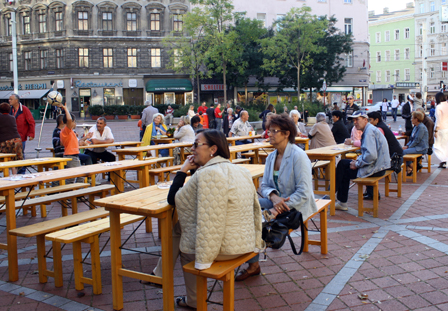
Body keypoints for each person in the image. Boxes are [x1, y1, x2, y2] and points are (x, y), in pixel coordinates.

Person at [148, 130, 264, 309]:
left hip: (226, 249)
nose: (191, 149)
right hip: (246, 244)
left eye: (196, 144)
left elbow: (174, 199)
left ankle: (191, 299)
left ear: (213, 149)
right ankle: (159, 273)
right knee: (181, 228)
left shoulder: (207, 175)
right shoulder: (241, 170)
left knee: (186, 246)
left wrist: (183, 169)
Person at [235, 113, 317, 282]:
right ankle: (254, 259)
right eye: (268, 131)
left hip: (297, 206)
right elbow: (264, 186)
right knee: (245, 207)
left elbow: (304, 193)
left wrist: (277, 207)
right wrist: (273, 197)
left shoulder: (298, 156)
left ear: (286, 133)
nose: (269, 134)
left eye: (273, 131)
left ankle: (253, 264)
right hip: (278, 202)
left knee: (254, 218)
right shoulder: (272, 156)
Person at [335, 111, 390, 210]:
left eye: (357, 119)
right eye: (354, 120)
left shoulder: (369, 132)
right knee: (343, 163)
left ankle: (339, 199)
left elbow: (371, 156)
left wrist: (357, 164)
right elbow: (368, 153)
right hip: (379, 166)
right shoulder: (370, 129)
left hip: (376, 169)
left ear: (365, 120)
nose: (355, 122)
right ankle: (335, 195)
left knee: (344, 172)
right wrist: (356, 162)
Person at [367, 111, 404, 200]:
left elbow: (376, 145)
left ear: (376, 120)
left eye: (370, 120)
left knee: (368, 168)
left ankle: (372, 194)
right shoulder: (382, 126)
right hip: (396, 158)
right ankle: (371, 193)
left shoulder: (379, 129)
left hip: (394, 161)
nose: (369, 122)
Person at [57, 102, 93, 183]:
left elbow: (74, 143)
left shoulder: (69, 132)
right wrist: (65, 108)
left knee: (79, 177)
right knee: (74, 177)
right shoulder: (66, 130)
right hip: (71, 156)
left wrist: (85, 138)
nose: (75, 123)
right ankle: (71, 193)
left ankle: (76, 194)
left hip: (73, 155)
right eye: (74, 121)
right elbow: (69, 119)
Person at [9, 94, 35, 173]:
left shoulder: (24, 109)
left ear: (16, 101)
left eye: (11, 99)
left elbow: (31, 122)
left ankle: (22, 172)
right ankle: (14, 172)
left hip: (21, 137)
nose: (9, 100)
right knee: (12, 155)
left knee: (20, 154)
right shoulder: (10, 110)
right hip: (11, 137)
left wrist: (31, 134)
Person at [403, 111, 429, 176]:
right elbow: (412, 139)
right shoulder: (415, 127)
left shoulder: (421, 127)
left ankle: (412, 167)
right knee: (402, 150)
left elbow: (417, 140)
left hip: (421, 148)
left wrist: (408, 147)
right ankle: (411, 167)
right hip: (416, 146)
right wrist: (407, 145)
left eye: (412, 118)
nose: (411, 119)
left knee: (404, 152)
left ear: (416, 119)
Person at [0, 102, 23, 174]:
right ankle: (14, 176)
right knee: (14, 160)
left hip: (5, 141)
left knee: (5, 159)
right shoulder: (12, 118)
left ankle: (6, 177)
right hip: (16, 140)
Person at [434, 92, 448, 168]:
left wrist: (436, 130)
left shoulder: (439, 107)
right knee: (445, 146)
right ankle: (444, 161)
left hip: (441, 129)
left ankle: (443, 160)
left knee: (437, 146)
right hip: (447, 128)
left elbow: (438, 120)